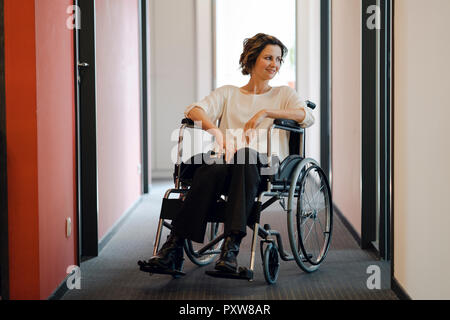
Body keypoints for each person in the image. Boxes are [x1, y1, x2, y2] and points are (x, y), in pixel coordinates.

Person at [143, 33, 315, 274]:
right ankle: (174, 247)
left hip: (263, 164)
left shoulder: (283, 95)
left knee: (244, 155)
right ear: (252, 59)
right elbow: (194, 110)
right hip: (226, 162)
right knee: (212, 166)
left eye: (278, 59)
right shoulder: (229, 93)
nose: (275, 64)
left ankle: (230, 248)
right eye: (268, 57)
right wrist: (217, 133)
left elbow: (306, 116)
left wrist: (266, 112)